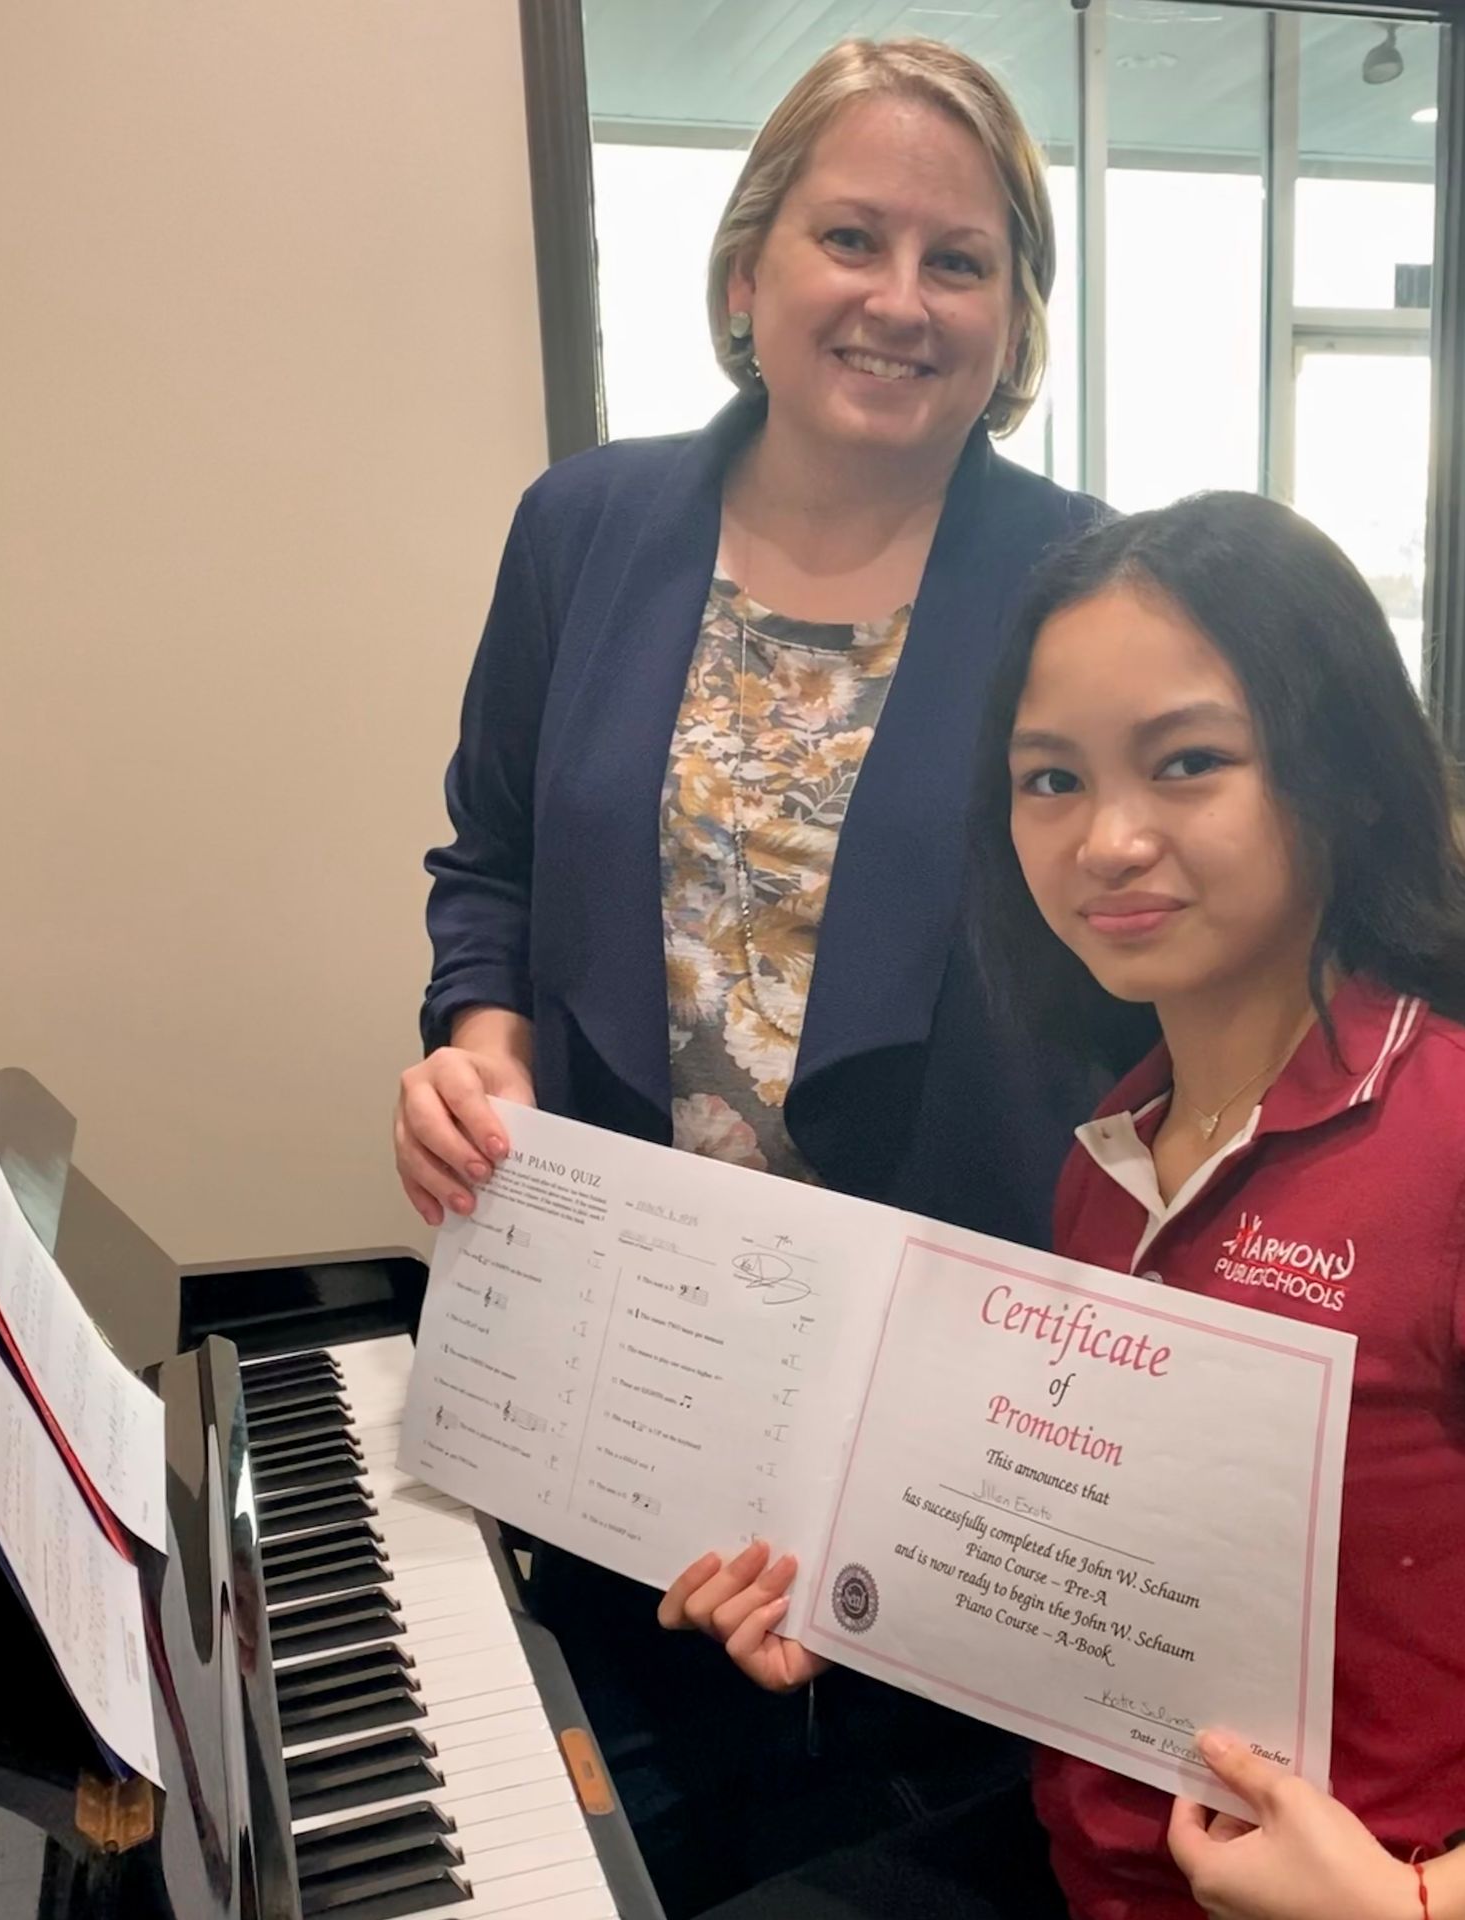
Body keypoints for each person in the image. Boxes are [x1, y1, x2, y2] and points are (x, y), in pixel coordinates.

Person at [676, 492, 1465, 1920]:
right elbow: (1118, 1594)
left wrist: (1452, 1900)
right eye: (1050, 780)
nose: (1106, 839)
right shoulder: (1114, 1151)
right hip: (1092, 1873)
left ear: (1340, 777)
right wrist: (857, 1593)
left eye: (1187, 764)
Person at [396, 36, 1114, 1917]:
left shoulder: (1087, 584)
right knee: (615, 1810)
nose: (899, 299)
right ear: (746, 273)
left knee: (881, 1837)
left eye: (961, 260)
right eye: (849, 237)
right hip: (619, 1352)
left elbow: (1163, 971)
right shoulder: (585, 528)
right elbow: (492, 860)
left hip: (940, 1372)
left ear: (1018, 309)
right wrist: (479, 1053)